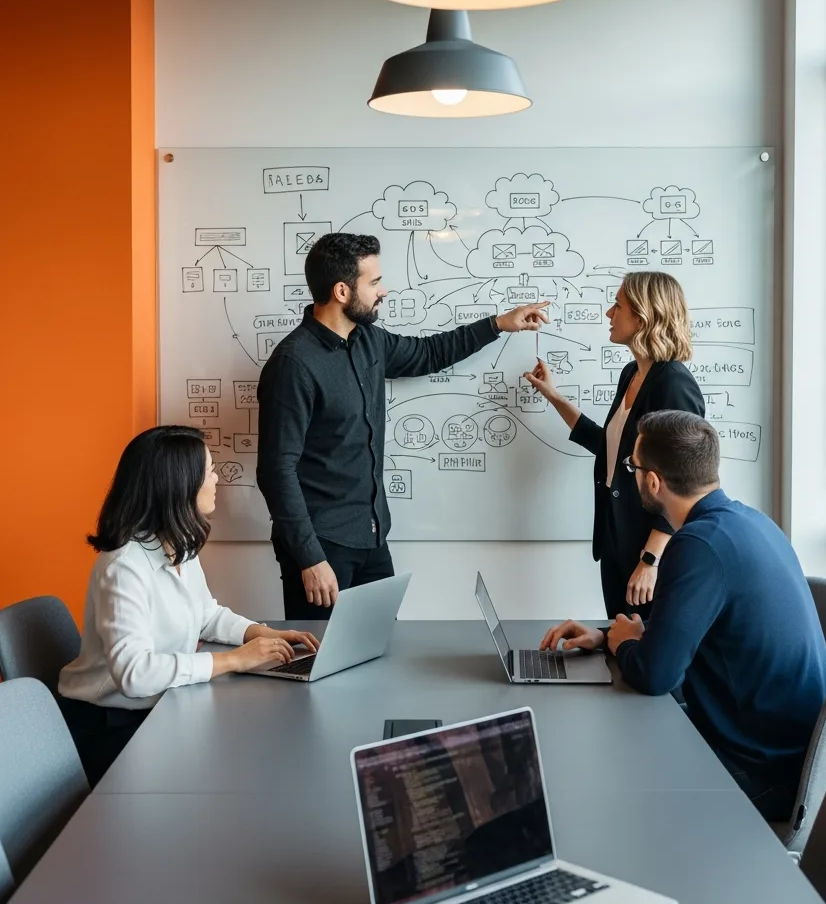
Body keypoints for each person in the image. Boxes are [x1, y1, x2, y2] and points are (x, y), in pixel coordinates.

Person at [542, 411, 826, 821]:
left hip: (761, 774)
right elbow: (690, 630)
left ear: (653, 482)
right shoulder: (752, 522)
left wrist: (623, 644)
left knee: (602, 770)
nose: (632, 474)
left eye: (632, 466)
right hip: (798, 757)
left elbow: (656, 676)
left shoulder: (698, 544)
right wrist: (608, 636)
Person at [256, 231, 548, 620]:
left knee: (380, 648)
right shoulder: (293, 365)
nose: (383, 291)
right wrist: (309, 558)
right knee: (321, 656)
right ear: (342, 291)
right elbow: (276, 471)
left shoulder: (368, 341)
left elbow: (429, 353)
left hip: (372, 537)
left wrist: (498, 324)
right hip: (322, 547)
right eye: (374, 282)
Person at [58, 426, 319, 786]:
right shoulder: (123, 567)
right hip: (108, 724)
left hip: (158, 706)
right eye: (209, 471)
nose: (217, 479)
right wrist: (234, 660)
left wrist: (260, 633)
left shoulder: (178, 544)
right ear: (179, 485)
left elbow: (205, 614)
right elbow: (134, 674)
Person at [524, 271, 704, 620]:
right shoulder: (631, 374)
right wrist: (553, 396)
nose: (609, 313)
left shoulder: (673, 383)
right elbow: (611, 448)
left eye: (618, 305)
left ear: (644, 315)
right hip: (617, 542)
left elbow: (685, 481)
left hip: (649, 553)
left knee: (645, 644)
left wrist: (650, 559)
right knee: (620, 640)